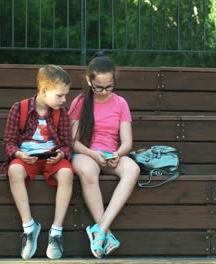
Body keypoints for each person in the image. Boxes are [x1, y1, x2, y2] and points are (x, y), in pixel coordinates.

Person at [69, 52, 140, 258]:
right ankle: (106, 233)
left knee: (132, 169)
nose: (103, 91)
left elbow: (127, 141)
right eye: (99, 87)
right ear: (89, 80)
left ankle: (99, 229)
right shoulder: (80, 102)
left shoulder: (120, 103)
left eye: (109, 87)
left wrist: (117, 154)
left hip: (110, 153)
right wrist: (92, 153)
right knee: (88, 171)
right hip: (86, 152)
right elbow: (73, 140)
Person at [1, 65, 74, 259]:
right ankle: (29, 227)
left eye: (66, 95)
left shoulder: (61, 113)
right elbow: (8, 141)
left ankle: (56, 232)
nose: (64, 100)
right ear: (43, 91)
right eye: (60, 95)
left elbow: (67, 144)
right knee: (14, 171)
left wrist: (61, 154)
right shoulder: (20, 108)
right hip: (27, 158)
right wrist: (18, 154)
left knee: (67, 173)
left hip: (51, 158)